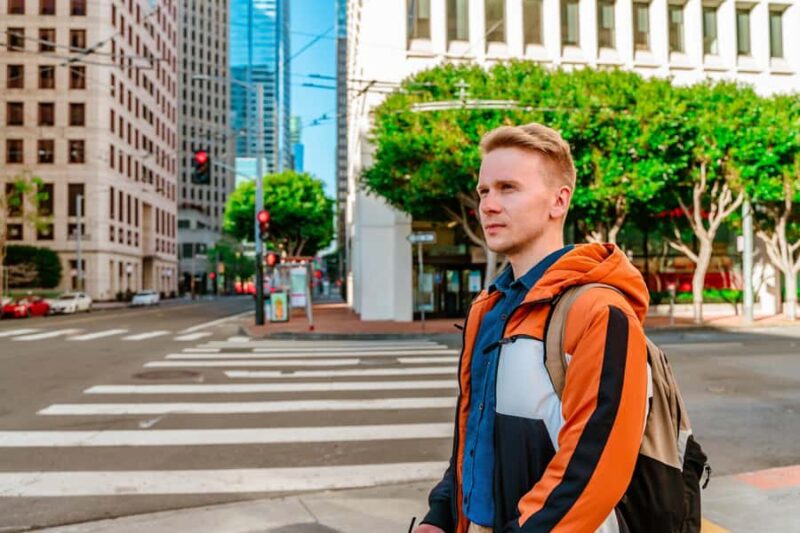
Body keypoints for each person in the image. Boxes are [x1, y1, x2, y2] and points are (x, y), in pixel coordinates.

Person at [414, 123, 649, 533]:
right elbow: (473, 435)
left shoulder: (599, 310)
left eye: (508, 188)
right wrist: (441, 514)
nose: (487, 205)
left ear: (559, 201)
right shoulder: (488, 310)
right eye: (484, 191)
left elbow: (594, 470)